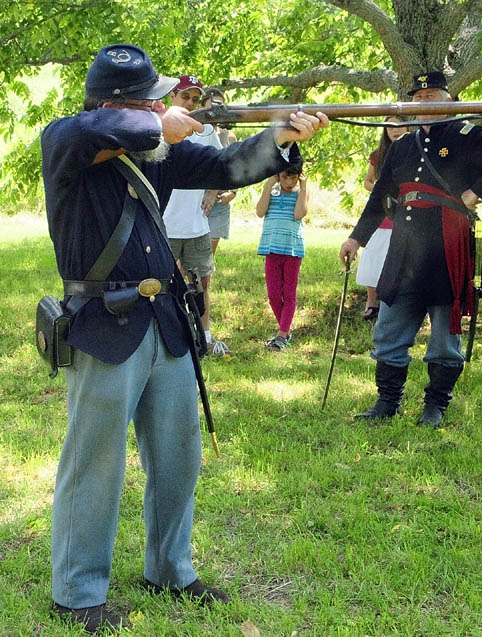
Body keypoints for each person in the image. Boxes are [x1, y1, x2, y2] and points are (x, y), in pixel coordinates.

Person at [41, 43, 327, 633]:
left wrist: (283, 138)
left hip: (166, 322)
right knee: (93, 465)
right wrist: (155, 124)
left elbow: (228, 169)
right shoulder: (68, 140)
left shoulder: (157, 152)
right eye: (154, 98)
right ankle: (76, 591)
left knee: (178, 458)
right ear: (127, 104)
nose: (169, 102)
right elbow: (87, 129)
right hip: (103, 324)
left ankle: (169, 568)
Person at [340, 71, 482, 428]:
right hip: (404, 248)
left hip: (447, 246)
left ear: (450, 101)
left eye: (432, 95)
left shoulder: (467, 134)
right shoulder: (401, 146)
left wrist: (475, 194)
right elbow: (381, 196)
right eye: (419, 97)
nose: (424, 103)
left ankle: (435, 406)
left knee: (444, 335)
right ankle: (387, 402)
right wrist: (355, 238)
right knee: (389, 328)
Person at [162, 75, 230, 356]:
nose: (189, 102)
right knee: (163, 287)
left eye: (194, 98)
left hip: (196, 225)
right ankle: (169, 337)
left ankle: (204, 336)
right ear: (171, 98)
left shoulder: (205, 131)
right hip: (165, 225)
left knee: (201, 285)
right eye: (184, 96)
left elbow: (222, 165)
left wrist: (213, 192)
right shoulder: (159, 128)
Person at [356, 116, 409, 320]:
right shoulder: (379, 155)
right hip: (381, 213)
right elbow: (367, 182)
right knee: (373, 255)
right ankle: (372, 301)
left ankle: (396, 302)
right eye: (389, 127)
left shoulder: (415, 151)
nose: (394, 130)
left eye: (399, 125)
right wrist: (379, 187)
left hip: (404, 214)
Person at [255, 155, 309, 351]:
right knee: (273, 294)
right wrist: (269, 184)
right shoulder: (272, 191)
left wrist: (303, 188)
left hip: (292, 249)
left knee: (289, 293)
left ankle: (282, 334)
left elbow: (299, 214)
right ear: (278, 175)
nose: (288, 182)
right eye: (285, 177)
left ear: (299, 176)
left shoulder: (301, 192)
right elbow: (260, 212)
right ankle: (284, 330)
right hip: (271, 247)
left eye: (293, 178)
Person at [201, 88, 238, 256]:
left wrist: (233, 192)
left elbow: (235, 169)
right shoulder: (194, 132)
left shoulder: (229, 137)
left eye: (220, 106)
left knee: (208, 255)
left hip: (219, 202)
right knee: (186, 258)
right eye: (211, 106)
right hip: (195, 200)